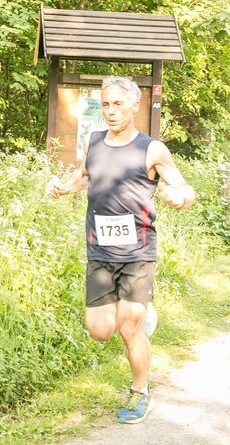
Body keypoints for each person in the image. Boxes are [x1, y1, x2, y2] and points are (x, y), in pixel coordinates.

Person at [43, 75, 195, 425]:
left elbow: (183, 186)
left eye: (118, 104)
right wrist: (63, 188)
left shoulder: (152, 149)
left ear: (134, 106)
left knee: (129, 327)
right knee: (99, 330)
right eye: (106, 104)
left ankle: (140, 392)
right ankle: (143, 314)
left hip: (138, 252)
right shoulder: (93, 141)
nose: (110, 111)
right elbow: (84, 175)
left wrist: (181, 197)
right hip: (99, 249)